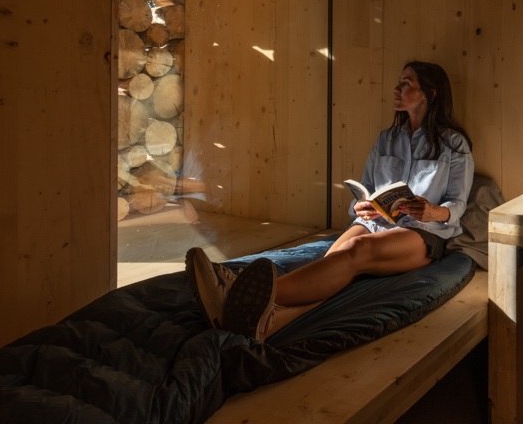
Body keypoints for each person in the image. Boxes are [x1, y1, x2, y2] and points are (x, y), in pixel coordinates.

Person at [186, 60, 474, 342]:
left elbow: (457, 205)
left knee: (355, 249)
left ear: (430, 93)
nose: (397, 88)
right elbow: (369, 187)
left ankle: (237, 293)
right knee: (332, 264)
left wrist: (434, 211)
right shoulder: (387, 139)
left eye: (407, 83)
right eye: (399, 81)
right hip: (375, 222)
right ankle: (271, 323)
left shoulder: (453, 144)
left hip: (422, 234)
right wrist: (360, 206)